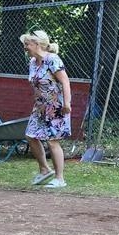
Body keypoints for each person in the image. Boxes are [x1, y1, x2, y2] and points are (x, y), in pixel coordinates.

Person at [22, 29, 72, 188]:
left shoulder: (53, 59)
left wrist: (67, 104)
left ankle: (60, 178)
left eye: (27, 43)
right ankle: (44, 169)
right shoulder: (32, 62)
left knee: (52, 141)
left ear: (37, 44)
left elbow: (65, 82)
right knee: (30, 136)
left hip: (56, 106)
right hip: (40, 108)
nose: (25, 47)